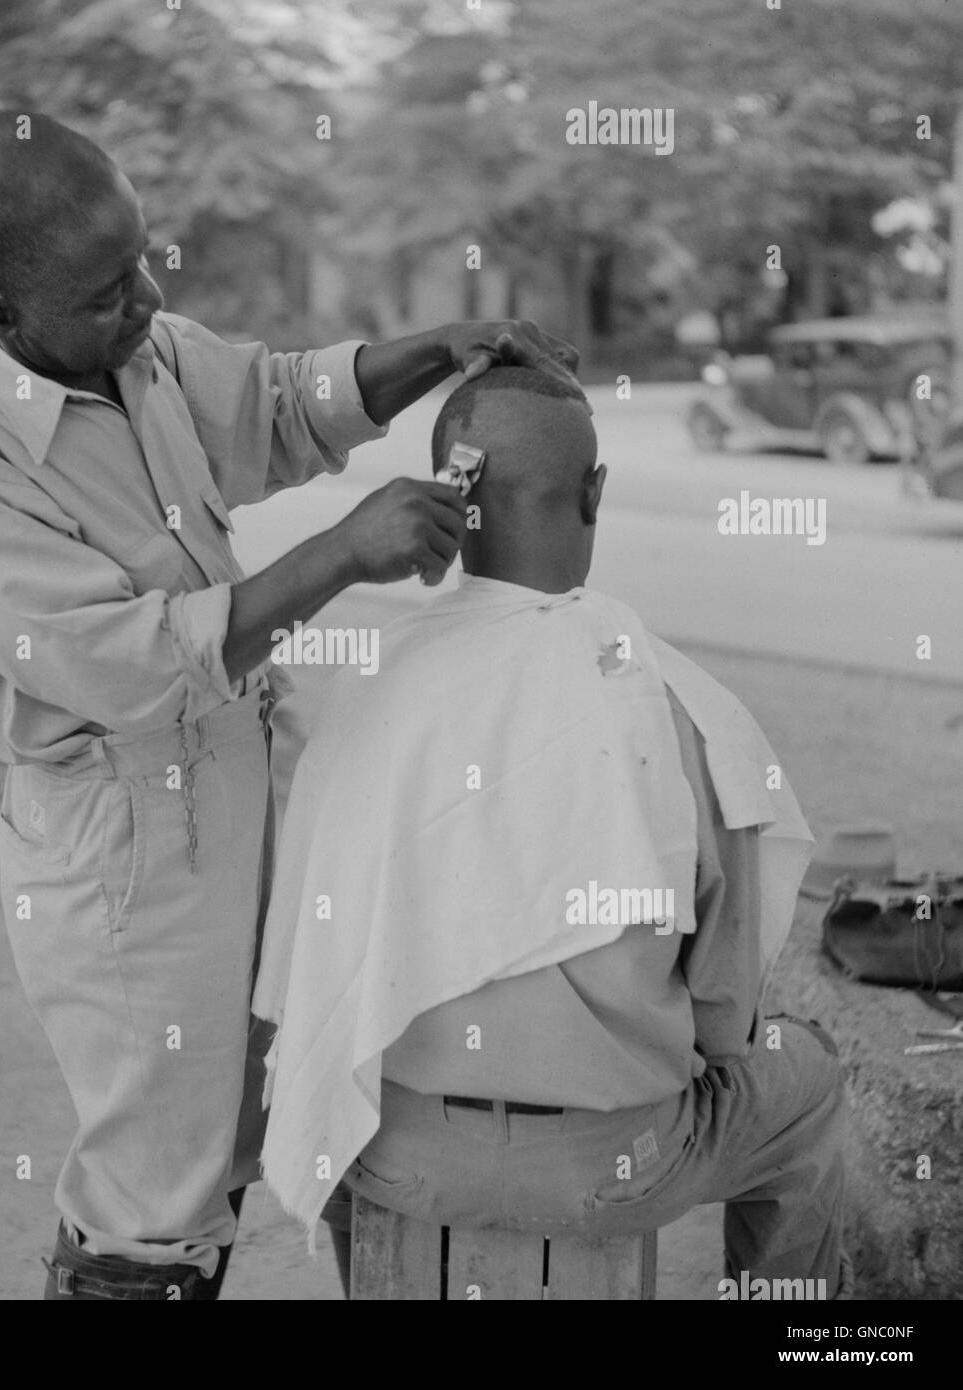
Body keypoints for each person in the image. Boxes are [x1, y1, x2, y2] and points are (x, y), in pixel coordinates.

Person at [0, 110, 579, 1300]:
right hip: (122, 853)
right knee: (157, 1183)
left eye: (145, 262)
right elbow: (133, 662)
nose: (148, 302)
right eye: (110, 291)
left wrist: (438, 350)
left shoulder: (129, 348)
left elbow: (277, 402)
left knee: (251, 1119)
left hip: (236, 781)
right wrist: (342, 554)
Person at [254, 364, 853, 1299]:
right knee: (805, 1080)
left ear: (454, 494)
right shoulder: (672, 702)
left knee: (332, 1088)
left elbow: (315, 968)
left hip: (399, 1155)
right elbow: (726, 1017)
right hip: (613, 1166)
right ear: (596, 492)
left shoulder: (364, 688)